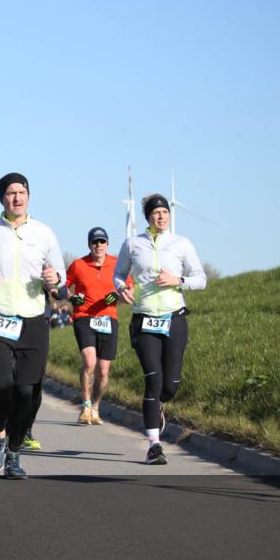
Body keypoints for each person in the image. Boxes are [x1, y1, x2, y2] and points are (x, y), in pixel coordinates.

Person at [0, 173, 64, 479]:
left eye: (21, 192)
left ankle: (14, 452)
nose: (16, 198)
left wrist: (54, 280)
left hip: (34, 319)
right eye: (10, 193)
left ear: (29, 196)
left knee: (27, 392)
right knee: (3, 383)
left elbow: (60, 274)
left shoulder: (44, 233)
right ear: (1, 198)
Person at [114, 194, 206, 465]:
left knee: (170, 385)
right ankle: (154, 445)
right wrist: (122, 288)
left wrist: (178, 279)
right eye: (156, 213)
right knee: (153, 381)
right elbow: (119, 274)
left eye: (165, 212)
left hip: (174, 318)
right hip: (143, 319)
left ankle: (159, 406)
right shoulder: (133, 244)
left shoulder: (181, 244)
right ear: (148, 217)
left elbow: (201, 278)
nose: (162, 216)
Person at [66, 227, 131, 425]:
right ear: (89, 244)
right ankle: (85, 406)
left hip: (108, 319)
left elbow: (129, 289)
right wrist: (72, 298)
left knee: (103, 370)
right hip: (84, 317)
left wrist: (119, 296)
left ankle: (95, 406)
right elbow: (62, 287)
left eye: (102, 242)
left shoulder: (116, 264)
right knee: (89, 362)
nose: (98, 245)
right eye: (95, 242)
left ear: (107, 244)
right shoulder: (78, 265)